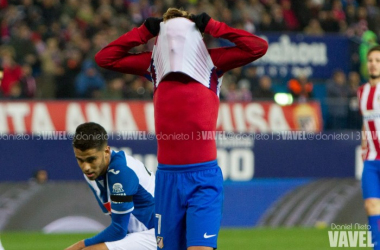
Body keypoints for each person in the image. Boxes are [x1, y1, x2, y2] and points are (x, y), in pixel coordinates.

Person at [95, 8, 268, 250]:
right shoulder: (154, 65)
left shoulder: (211, 61)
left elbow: (258, 47)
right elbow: (105, 58)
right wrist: (144, 31)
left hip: (203, 179)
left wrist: (214, 26)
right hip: (167, 181)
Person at [65, 122, 156, 250]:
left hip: (160, 233)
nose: (86, 167)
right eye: (80, 160)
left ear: (106, 151)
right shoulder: (92, 174)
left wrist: (80, 245)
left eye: (91, 159)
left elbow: (119, 230)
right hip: (139, 234)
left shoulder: (121, 172)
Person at [358, 45, 380, 250]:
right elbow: (366, 123)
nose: (373, 64)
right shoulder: (362, 92)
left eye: (378, 60)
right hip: (372, 159)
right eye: (371, 60)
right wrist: (363, 147)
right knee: (371, 205)